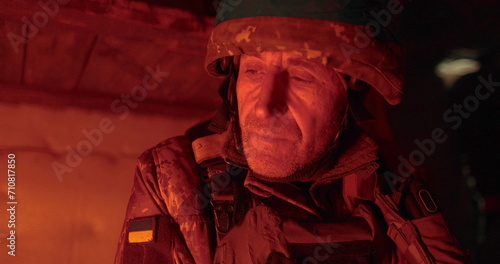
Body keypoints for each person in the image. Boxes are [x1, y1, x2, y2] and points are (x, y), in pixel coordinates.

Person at [115, 1, 471, 263]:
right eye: (253, 71)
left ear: (352, 91)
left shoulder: (396, 180)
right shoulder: (175, 177)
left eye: (301, 77)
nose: (267, 105)